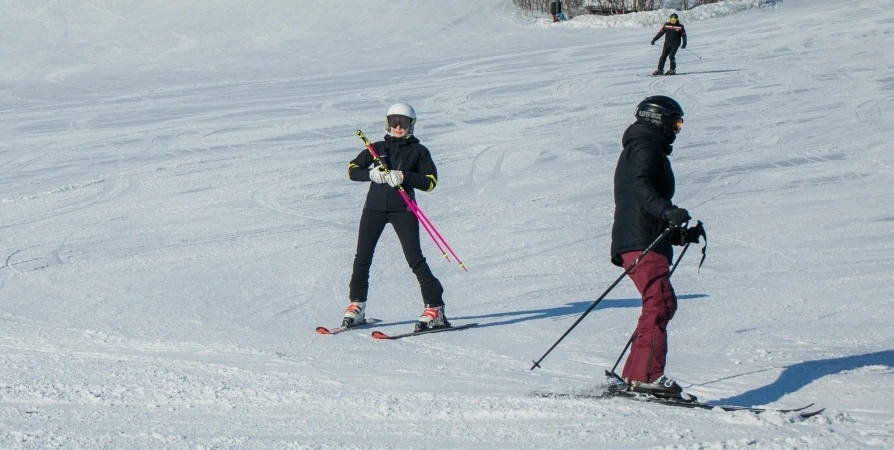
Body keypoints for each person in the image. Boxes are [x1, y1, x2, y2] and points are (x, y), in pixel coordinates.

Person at [610, 95, 701, 398]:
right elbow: (641, 185)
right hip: (641, 242)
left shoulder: (643, 146)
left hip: (644, 238)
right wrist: (667, 211)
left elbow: (642, 200)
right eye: (675, 121)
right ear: (657, 119)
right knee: (660, 302)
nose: (677, 128)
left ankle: (637, 375)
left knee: (657, 302)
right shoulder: (645, 146)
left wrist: (678, 235)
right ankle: (647, 375)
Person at [343, 103, 448, 332]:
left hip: (404, 209)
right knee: (362, 257)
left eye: (403, 122)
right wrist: (371, 174)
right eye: (394, 121)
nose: (398, 126)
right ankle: (357, 304)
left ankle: (435, 307)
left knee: (414, 259)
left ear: (412, 124)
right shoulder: (377, 148)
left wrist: (404, 176)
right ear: (387, 123)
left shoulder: (419, 151)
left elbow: (430, 181)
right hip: (374, 208)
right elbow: (352, 170)